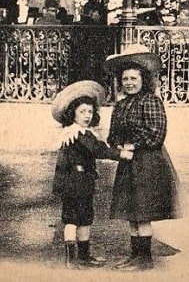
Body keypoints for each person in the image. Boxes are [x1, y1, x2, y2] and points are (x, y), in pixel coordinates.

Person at [103, 45, 180, 270]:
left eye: (133, 78)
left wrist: (132, 144)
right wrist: (117, 145)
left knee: (142, 213)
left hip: (148, 164)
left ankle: (144, 259)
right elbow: (112, 136)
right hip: (127, 164)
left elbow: (157, 133)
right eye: (125, 78)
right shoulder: (121, 104)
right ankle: (135, 256)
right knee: (131, 213)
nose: (128, 82)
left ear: (142, 79)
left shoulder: (150, 101)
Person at [51, 80, 133, 268]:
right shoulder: (77, 134)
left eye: (90, 111)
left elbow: (98, 146)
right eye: (82, 112)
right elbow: (98, 150)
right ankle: (73, 258)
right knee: (73, 218)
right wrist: (121, 154)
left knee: (85, 217)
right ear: (73, 114)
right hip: (75, 183)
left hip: (81, 182)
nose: (87, 116)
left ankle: (83, 256)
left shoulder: (78, 132)